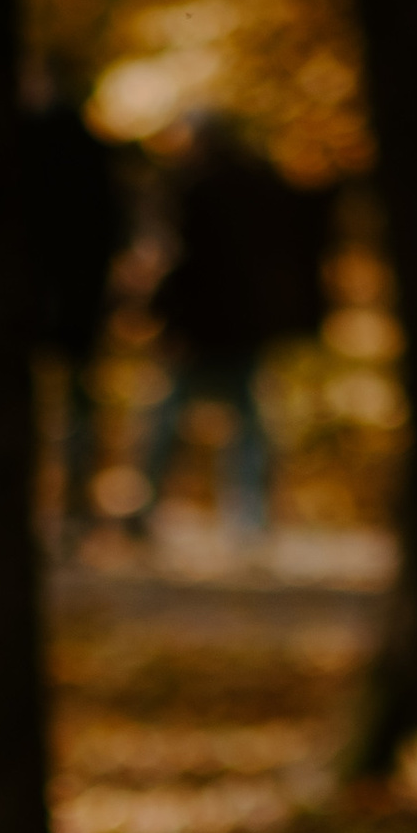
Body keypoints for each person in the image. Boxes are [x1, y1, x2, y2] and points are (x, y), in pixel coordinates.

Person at [133, 113, 331, 538]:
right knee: (246, 423)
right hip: (247, 326)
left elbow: (181, 259)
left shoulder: (195, 188)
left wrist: (161, 313)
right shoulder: (264, 186)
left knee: (169, 419)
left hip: (202, 329)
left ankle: (149, 510)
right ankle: (248, 520)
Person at [22, 78, 126, 529]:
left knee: (38, 405)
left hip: (31, 299)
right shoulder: (93, 151)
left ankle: (48, 502)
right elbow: (115, 228)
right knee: (79, 404)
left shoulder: (23, 146)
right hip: (84, 299)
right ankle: (75, 503)